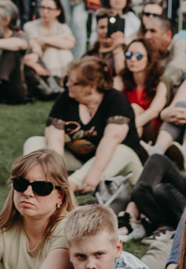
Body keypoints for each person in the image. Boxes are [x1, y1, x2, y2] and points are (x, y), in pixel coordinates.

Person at [36, 57, 141, 195]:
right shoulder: (66, 97)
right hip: (79, 160)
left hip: (120, 163)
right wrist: (55, 171)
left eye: (73, 82)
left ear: (91, 86)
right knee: (36, 142)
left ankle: (67, 188)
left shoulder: (116, 100)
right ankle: (43, 180)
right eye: (68, 79)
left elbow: (111, 139)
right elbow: (55, 138)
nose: (67, 84)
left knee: (121, 149)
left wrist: (95, 173)